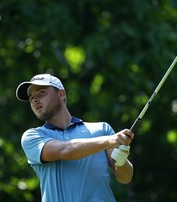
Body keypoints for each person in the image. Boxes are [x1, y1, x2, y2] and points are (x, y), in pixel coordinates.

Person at [16, 73, 134, 202]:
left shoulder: (102, 129)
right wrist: (109, 140)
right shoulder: (33, 137)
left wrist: (122, 161)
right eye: (31, 97)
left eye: (41, 93)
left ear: (61, 94)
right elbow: (66, 151)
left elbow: (125, 178)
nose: (35, 100)